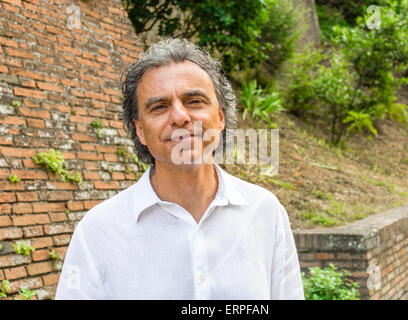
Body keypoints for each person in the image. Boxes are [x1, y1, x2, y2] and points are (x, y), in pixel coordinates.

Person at [55, 38, 304, 300]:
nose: (180, 116)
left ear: (220, 117)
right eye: (159, 107)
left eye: (194, 101)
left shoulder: (265, 212)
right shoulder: (98, 231)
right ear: (140, 130)